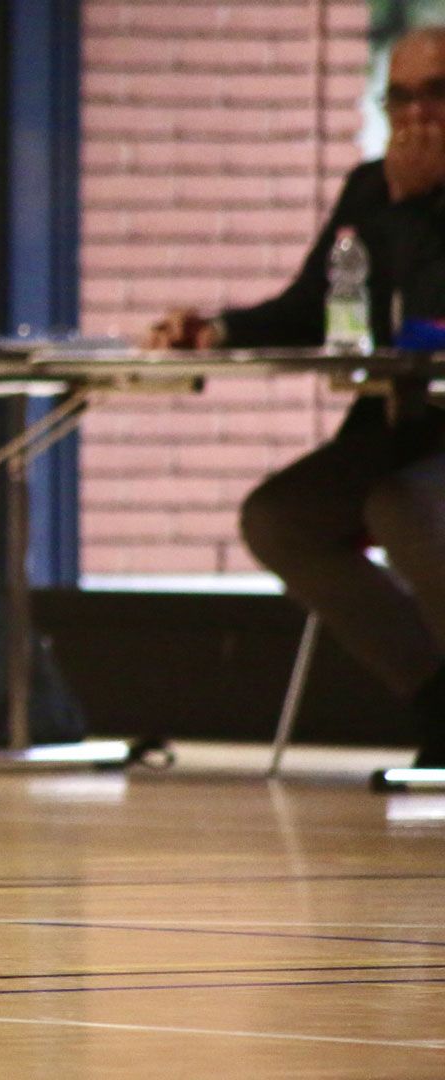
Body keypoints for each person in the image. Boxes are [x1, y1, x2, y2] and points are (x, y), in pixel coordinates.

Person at [145, 28, 445, 767]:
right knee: (279, 517)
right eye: (400, 98)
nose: (417, 116)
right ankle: (436, 701)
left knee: (401, 507)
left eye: (436, 94)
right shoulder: (371, 187)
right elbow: (314, 304)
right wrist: (215, 331)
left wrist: (417, 205)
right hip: (398, 424)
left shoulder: (404, 194)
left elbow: (428, 311)